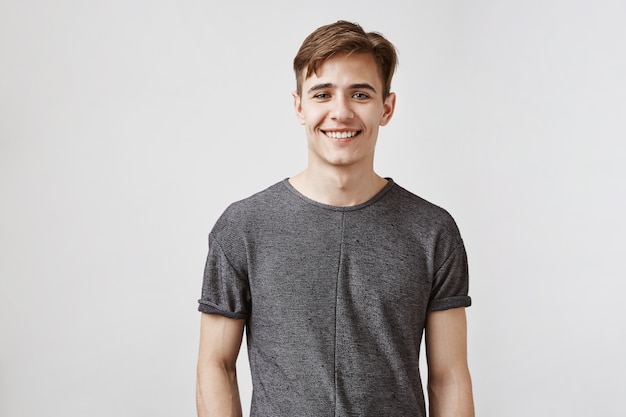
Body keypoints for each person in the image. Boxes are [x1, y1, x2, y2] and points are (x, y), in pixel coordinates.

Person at [196, 20, 474, 417]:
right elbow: (215, 364)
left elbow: (449, 376)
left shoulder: (432, 231)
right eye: (322, 94)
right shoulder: (243, 228)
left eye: (360, 94)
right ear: (299, 107)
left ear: (387, 108)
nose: (340, 112)